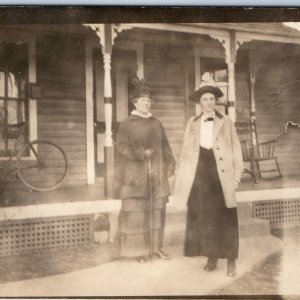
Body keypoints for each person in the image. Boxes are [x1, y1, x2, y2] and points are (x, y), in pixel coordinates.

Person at [173, 75, 244, 276]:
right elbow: (186, 152)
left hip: (221, 173)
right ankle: (212, 256)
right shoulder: (192, 123)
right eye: (204, 99)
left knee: (226, 216)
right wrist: (185, 179)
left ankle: (231, 260)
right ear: (200, 102)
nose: (208, 102)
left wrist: (236, 176)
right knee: (207, 217)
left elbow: (236, 149)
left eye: (212, 99)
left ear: (216, 101)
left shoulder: (226, 122)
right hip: (201, 172)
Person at [114, 77, 176, 263]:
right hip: (135, 175)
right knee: (137, 214)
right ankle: (138, 251)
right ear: (135, 102)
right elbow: (122, 147)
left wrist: (170, 162)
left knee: (157, 212)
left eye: (149, 101)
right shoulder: (126, 124)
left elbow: (165, 146)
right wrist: (141, 153)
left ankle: (156, 248)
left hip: (156, 174)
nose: (147, 103)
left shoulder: (156, 123)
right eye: (143, 100)